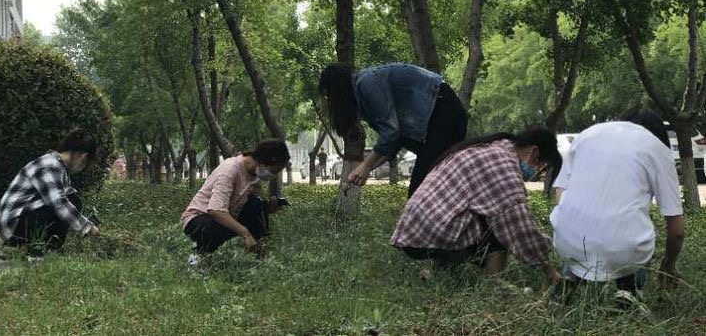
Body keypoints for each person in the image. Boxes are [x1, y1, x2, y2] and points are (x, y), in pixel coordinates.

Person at [390, 127, 562, 284]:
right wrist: (549, 269)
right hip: (430, 232)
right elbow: (518, 226)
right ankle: (494, 285)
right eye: (540, 166)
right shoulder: (502, 163)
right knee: (500, 224)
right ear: (534, 152)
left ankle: (441, 274)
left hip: (415, 229)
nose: (537, 171)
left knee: (485, 215)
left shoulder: (491, 149)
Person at [550, 109, 685, 300]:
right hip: (625, 252)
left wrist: (568, 222)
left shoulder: (586, 136)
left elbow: (560, 192)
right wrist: (668, 265)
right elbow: (677, 231)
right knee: (631, 231)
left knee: (586, 229)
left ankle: (570, 279)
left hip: (566, 242)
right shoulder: (657, 148)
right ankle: (629, 289)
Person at [319, 63, 468, 196]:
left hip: (444, 112)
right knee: (433, 190)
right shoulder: (362, 100)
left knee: (419, 193)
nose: (330, 102)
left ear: (337, 89)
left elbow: (391, 132)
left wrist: (367, 165)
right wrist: (365, 168)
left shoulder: (367, 84)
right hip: (435, 121)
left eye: (328, 96)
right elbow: (394, 142)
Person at [181, 139, 290, 265]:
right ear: (263, 162)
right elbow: (216, 211)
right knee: (218, 227)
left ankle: (261, 255)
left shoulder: (254, 174)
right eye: (274, 171)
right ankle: (198, 256)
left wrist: (268, 208)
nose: (273, 175)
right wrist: (245, 234)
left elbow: (250, 205)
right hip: (198, 219)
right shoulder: (230, 170)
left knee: (257, 206)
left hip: (228, 214)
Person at [0, 128, 101, 253]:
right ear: (83, 156)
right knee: (66, 202)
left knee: (73, 200)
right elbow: (58, 203)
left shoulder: (60, 168)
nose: (82, 168)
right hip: (12, 227)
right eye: (85, 164)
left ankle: (50, 247)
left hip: (23, 219)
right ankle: (38, 246)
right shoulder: (49, 165)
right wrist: (88, 227)